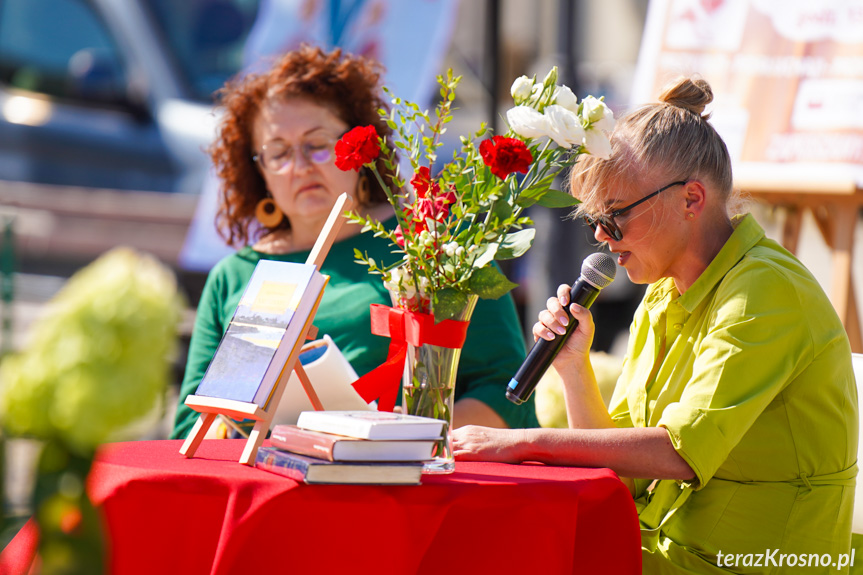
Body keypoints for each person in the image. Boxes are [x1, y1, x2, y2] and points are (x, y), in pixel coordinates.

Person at [452, 76, 858, 573]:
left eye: (616, 214)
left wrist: (523, 442)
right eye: (596, 219)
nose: (602, 236)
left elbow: (678, 453)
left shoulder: (764, 292)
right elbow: (620, 476)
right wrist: (574, 370)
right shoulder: (663, 294)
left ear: (691, 199)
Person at [171, 45, 537, 441]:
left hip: (412, 485)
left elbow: (506, 393)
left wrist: (406, 440)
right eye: (278, 152)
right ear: (257, 172)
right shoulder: (233, 276)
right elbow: (189, 429)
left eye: (317, 144)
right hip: (271, 489)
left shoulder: (435, 246)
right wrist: (249, 379)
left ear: (358, 151)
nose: (300, 165)